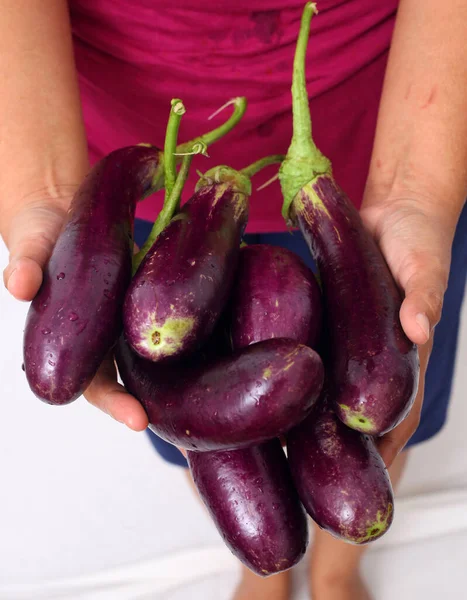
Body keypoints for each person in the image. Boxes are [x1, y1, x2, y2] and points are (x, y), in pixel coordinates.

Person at [1, 1, 466, 598]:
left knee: (377, 415)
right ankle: (261, 573)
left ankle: (337, 570)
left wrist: (418, 189)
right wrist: (43, 190)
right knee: (198, 426)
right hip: (155, 198)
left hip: (387, 131)